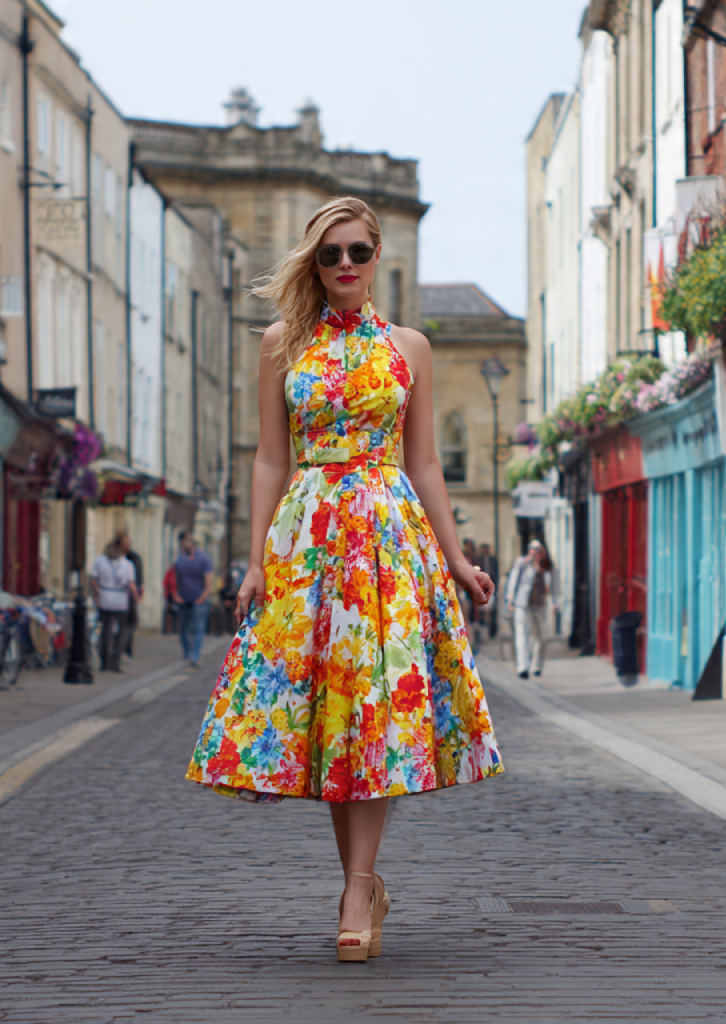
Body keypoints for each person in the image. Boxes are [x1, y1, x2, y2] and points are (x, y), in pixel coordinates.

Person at [186, 196, 502, 963]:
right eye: (330, 255)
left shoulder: (410, 348)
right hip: (310, 542)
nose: (346, 267)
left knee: (373, 710)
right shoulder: (281, 345)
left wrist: (458, 560)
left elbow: (424, 462)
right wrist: (258, 556)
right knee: (333, 717)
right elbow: (269, 457)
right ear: (314, 264)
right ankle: (360, 884)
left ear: (378, 255)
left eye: (358, 251)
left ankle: (357, 890)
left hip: (390, 541)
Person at [505, 539, 558, 679]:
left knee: (542, 636)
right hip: (523, 603)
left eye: (538, 551)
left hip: (540, 605)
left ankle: (537, 665)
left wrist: (554, 603)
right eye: (532, 550)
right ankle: (522, 667)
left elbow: (553, 587)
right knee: (522, 635)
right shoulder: (522, 563)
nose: (535, 554)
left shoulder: (546, 566)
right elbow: (513, 579)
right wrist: (510, 598)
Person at [89, 531, 138, 673]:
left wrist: (97, 595)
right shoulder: (127, 564)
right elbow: (131, 584)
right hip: (121, 600)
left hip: (105, 598)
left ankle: (105, 661)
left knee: (106, 631)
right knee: (123, 631)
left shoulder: (100, 561)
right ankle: (115, 661)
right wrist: (135, 596)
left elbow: (93, 579)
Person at [173, 532, 213, 667]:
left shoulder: (203, 559)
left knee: (198, 628)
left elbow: (208, 580)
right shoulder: (180, 560)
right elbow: (176, 579)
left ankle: (195, 656)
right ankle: (186, 653)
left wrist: (203, 596)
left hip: (199, 600)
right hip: (184, 599)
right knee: (183, 628)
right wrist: (176, 594)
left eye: (186, 541)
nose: (183, 544)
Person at [122, 532, 144, 659]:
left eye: (128, 544)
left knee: (131, 623)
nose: (127, 546)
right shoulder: (116, 558)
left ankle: (127, 648)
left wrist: (139, 591)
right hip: (120, 597)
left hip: (131, 597)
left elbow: (138, 578)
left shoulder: (134, 558)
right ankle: (121, 648)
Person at [477, 542, 500, 639]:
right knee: (482, 609)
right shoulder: (478, 560)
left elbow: (496, 572)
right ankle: (482, 630)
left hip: (491, 585)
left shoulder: (493, 559)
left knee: (492, 609)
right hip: (481, 586)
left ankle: (492, 631)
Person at [162, 564, 179, 634]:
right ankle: (172, 629)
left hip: (171, 595)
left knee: (170, 613)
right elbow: (169, 583)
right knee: (175, 613)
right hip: (173, 596)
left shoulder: (170, 572)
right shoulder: (172, 572)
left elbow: (165, 583)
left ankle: (169, 629)